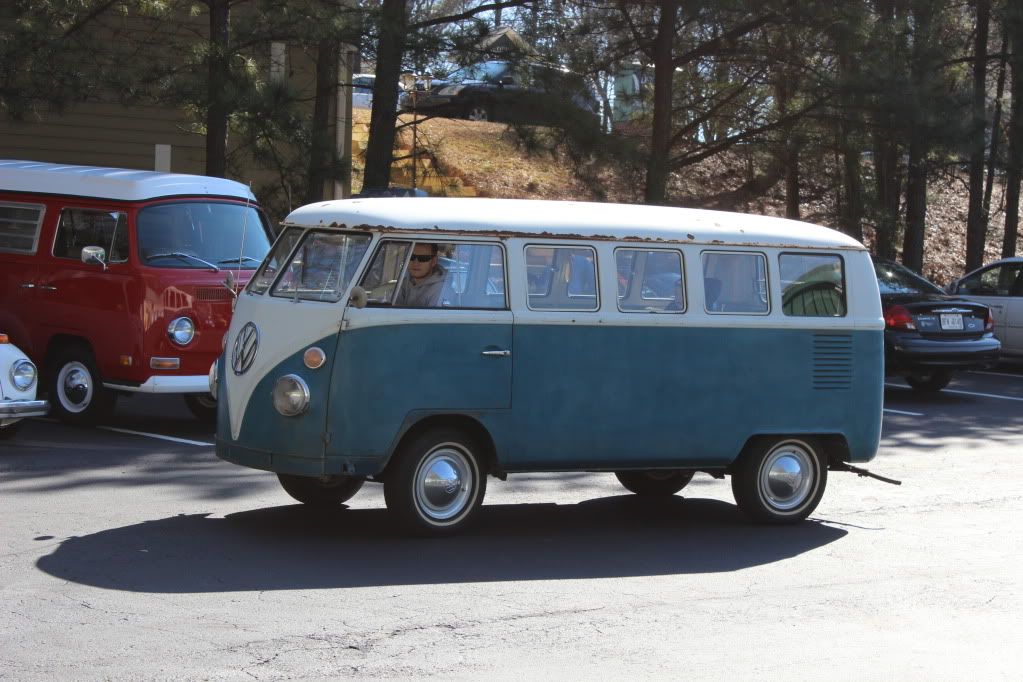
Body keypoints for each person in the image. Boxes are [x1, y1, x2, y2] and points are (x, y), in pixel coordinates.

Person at [395, 243, 447, 307]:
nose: (416, 263)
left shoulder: (441, 290)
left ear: (433, 261)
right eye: (411, 257)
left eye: (423, 258)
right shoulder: (404, 282)